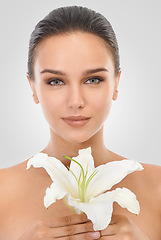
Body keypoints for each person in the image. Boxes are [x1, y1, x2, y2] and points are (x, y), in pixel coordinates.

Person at [0, 5, 160, 240]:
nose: (75, 101)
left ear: (116, 83)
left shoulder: (158, 189)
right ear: (32, 87)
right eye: (55, 81)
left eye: (93, 79)